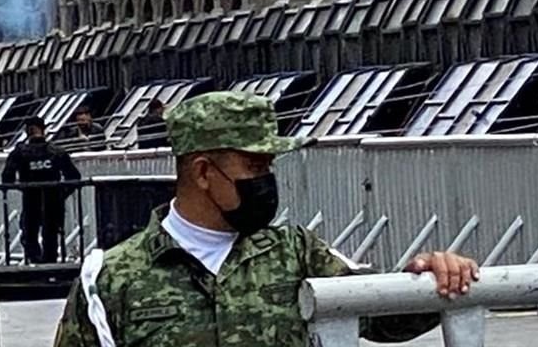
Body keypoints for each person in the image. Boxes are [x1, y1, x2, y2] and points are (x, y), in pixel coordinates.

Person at [54, 91, 478, 346]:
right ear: (203, 173)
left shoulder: (296, 253)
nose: (267, 180)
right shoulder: (112, 279)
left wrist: (432, 278)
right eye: (254, 167)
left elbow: (384, 319)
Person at [1, 116, 82, 264]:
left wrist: (24, 186)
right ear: (44, 130)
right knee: (51, 236)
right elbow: (74, 177)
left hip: (31, 200)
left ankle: (36, 263)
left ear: (27, 132)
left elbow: (7, 178)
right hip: (54, 200)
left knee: (29, 235)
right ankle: (50, 266)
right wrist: (61, 193)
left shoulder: (19, 153)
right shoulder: (57, 152)